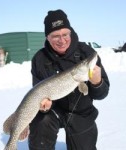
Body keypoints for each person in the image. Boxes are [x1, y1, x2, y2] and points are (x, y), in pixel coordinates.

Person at [29, 9, 110, 150]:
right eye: (55, 36)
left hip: (81, 113)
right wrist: (44, 106)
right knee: (41, 121)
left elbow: (102, 94)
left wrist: (97, 82)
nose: (62, 40)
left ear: (70, 32)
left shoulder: (86, 52)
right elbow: (37, 92)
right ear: (47, 37)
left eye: (65, 34)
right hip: (54, 111)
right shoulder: (39, 59)